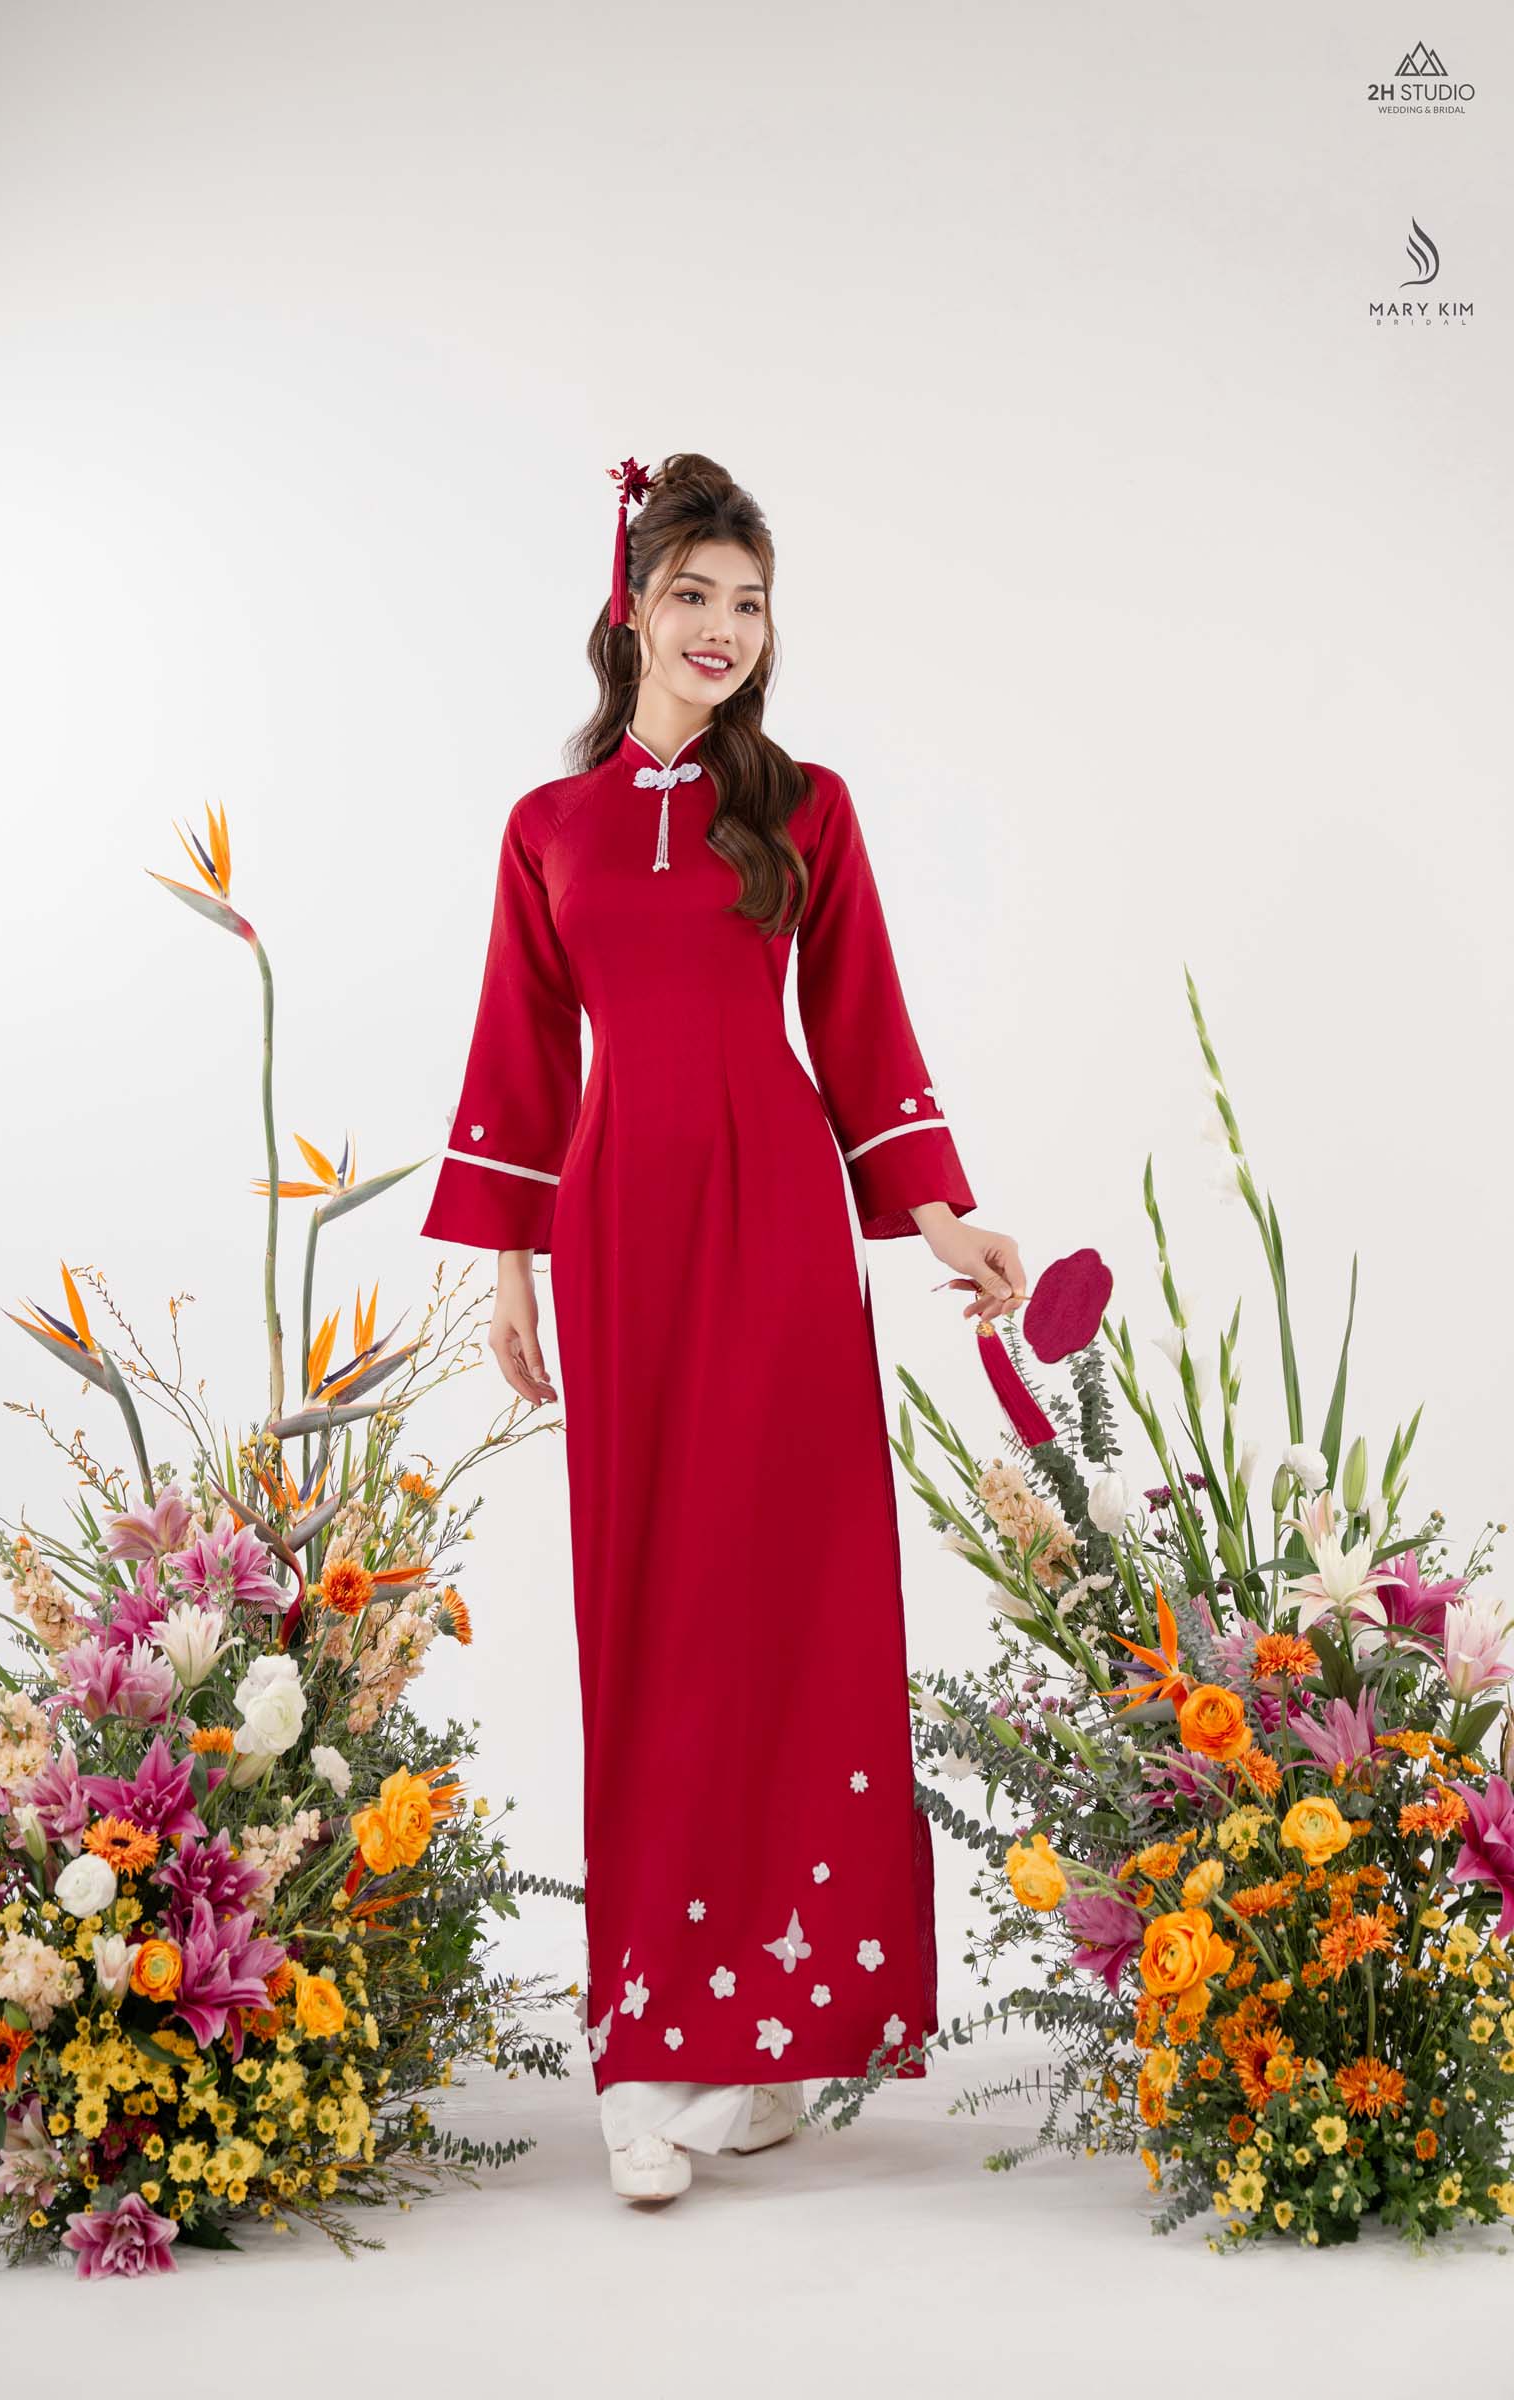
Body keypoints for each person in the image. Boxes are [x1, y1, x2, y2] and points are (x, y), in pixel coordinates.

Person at [419, 451, 1027, 2204]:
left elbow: (863, 1027)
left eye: (748, 603)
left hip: (780, 1231)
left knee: (800, 1601)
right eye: (692, 594)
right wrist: (509, 1262)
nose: (723, 629)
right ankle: (651, 2046)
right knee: (653, 1608)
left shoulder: (807, 810)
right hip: (622, 1228)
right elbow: (521, 1051)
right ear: (630, 609)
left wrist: (941, 1213)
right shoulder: (550, 829)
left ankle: (782, 2031)